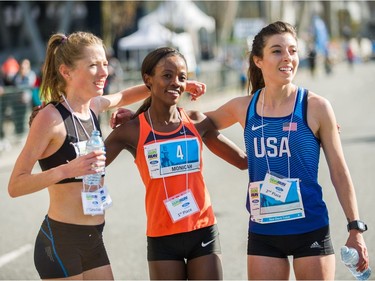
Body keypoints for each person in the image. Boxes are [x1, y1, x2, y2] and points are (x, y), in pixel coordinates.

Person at [7, 32, 204, 280]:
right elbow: (16, 185)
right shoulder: (50, 118)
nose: (104, 72)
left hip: (93, 239)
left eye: (104, 63)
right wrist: (68, 170)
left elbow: (125, 95)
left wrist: (178, 85)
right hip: (61, 242)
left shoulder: (93, 107)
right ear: (66, 72)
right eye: (93, 65)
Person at [202, 21, 369, 280]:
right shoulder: (244, 107)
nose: (288, 58)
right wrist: (238, 159)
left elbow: (339, 170)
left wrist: (355, 228)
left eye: (293, 50)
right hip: (264, 232)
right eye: (277, 50)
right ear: (258, 60)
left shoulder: (316, 107)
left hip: (310, 228)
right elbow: (195, 125)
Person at [104, 47, 247, 280]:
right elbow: (90, 166)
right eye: (167, 75)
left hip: (203, 229)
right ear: (148, 80)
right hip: (162, 237)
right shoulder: (132, 130)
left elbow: (242, 162)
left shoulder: (197, 121)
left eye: (182, 77)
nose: (176, 83)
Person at [12, 58, 37, 136]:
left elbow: (29, 85)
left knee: (27, 119)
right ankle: (19, 134)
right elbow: (15, 85)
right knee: (17, 119)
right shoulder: (16, 76)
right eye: (22, 67)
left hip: (29, 102)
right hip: (17, 101)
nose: (23, 68)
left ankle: (26, 135)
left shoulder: (31, 75)